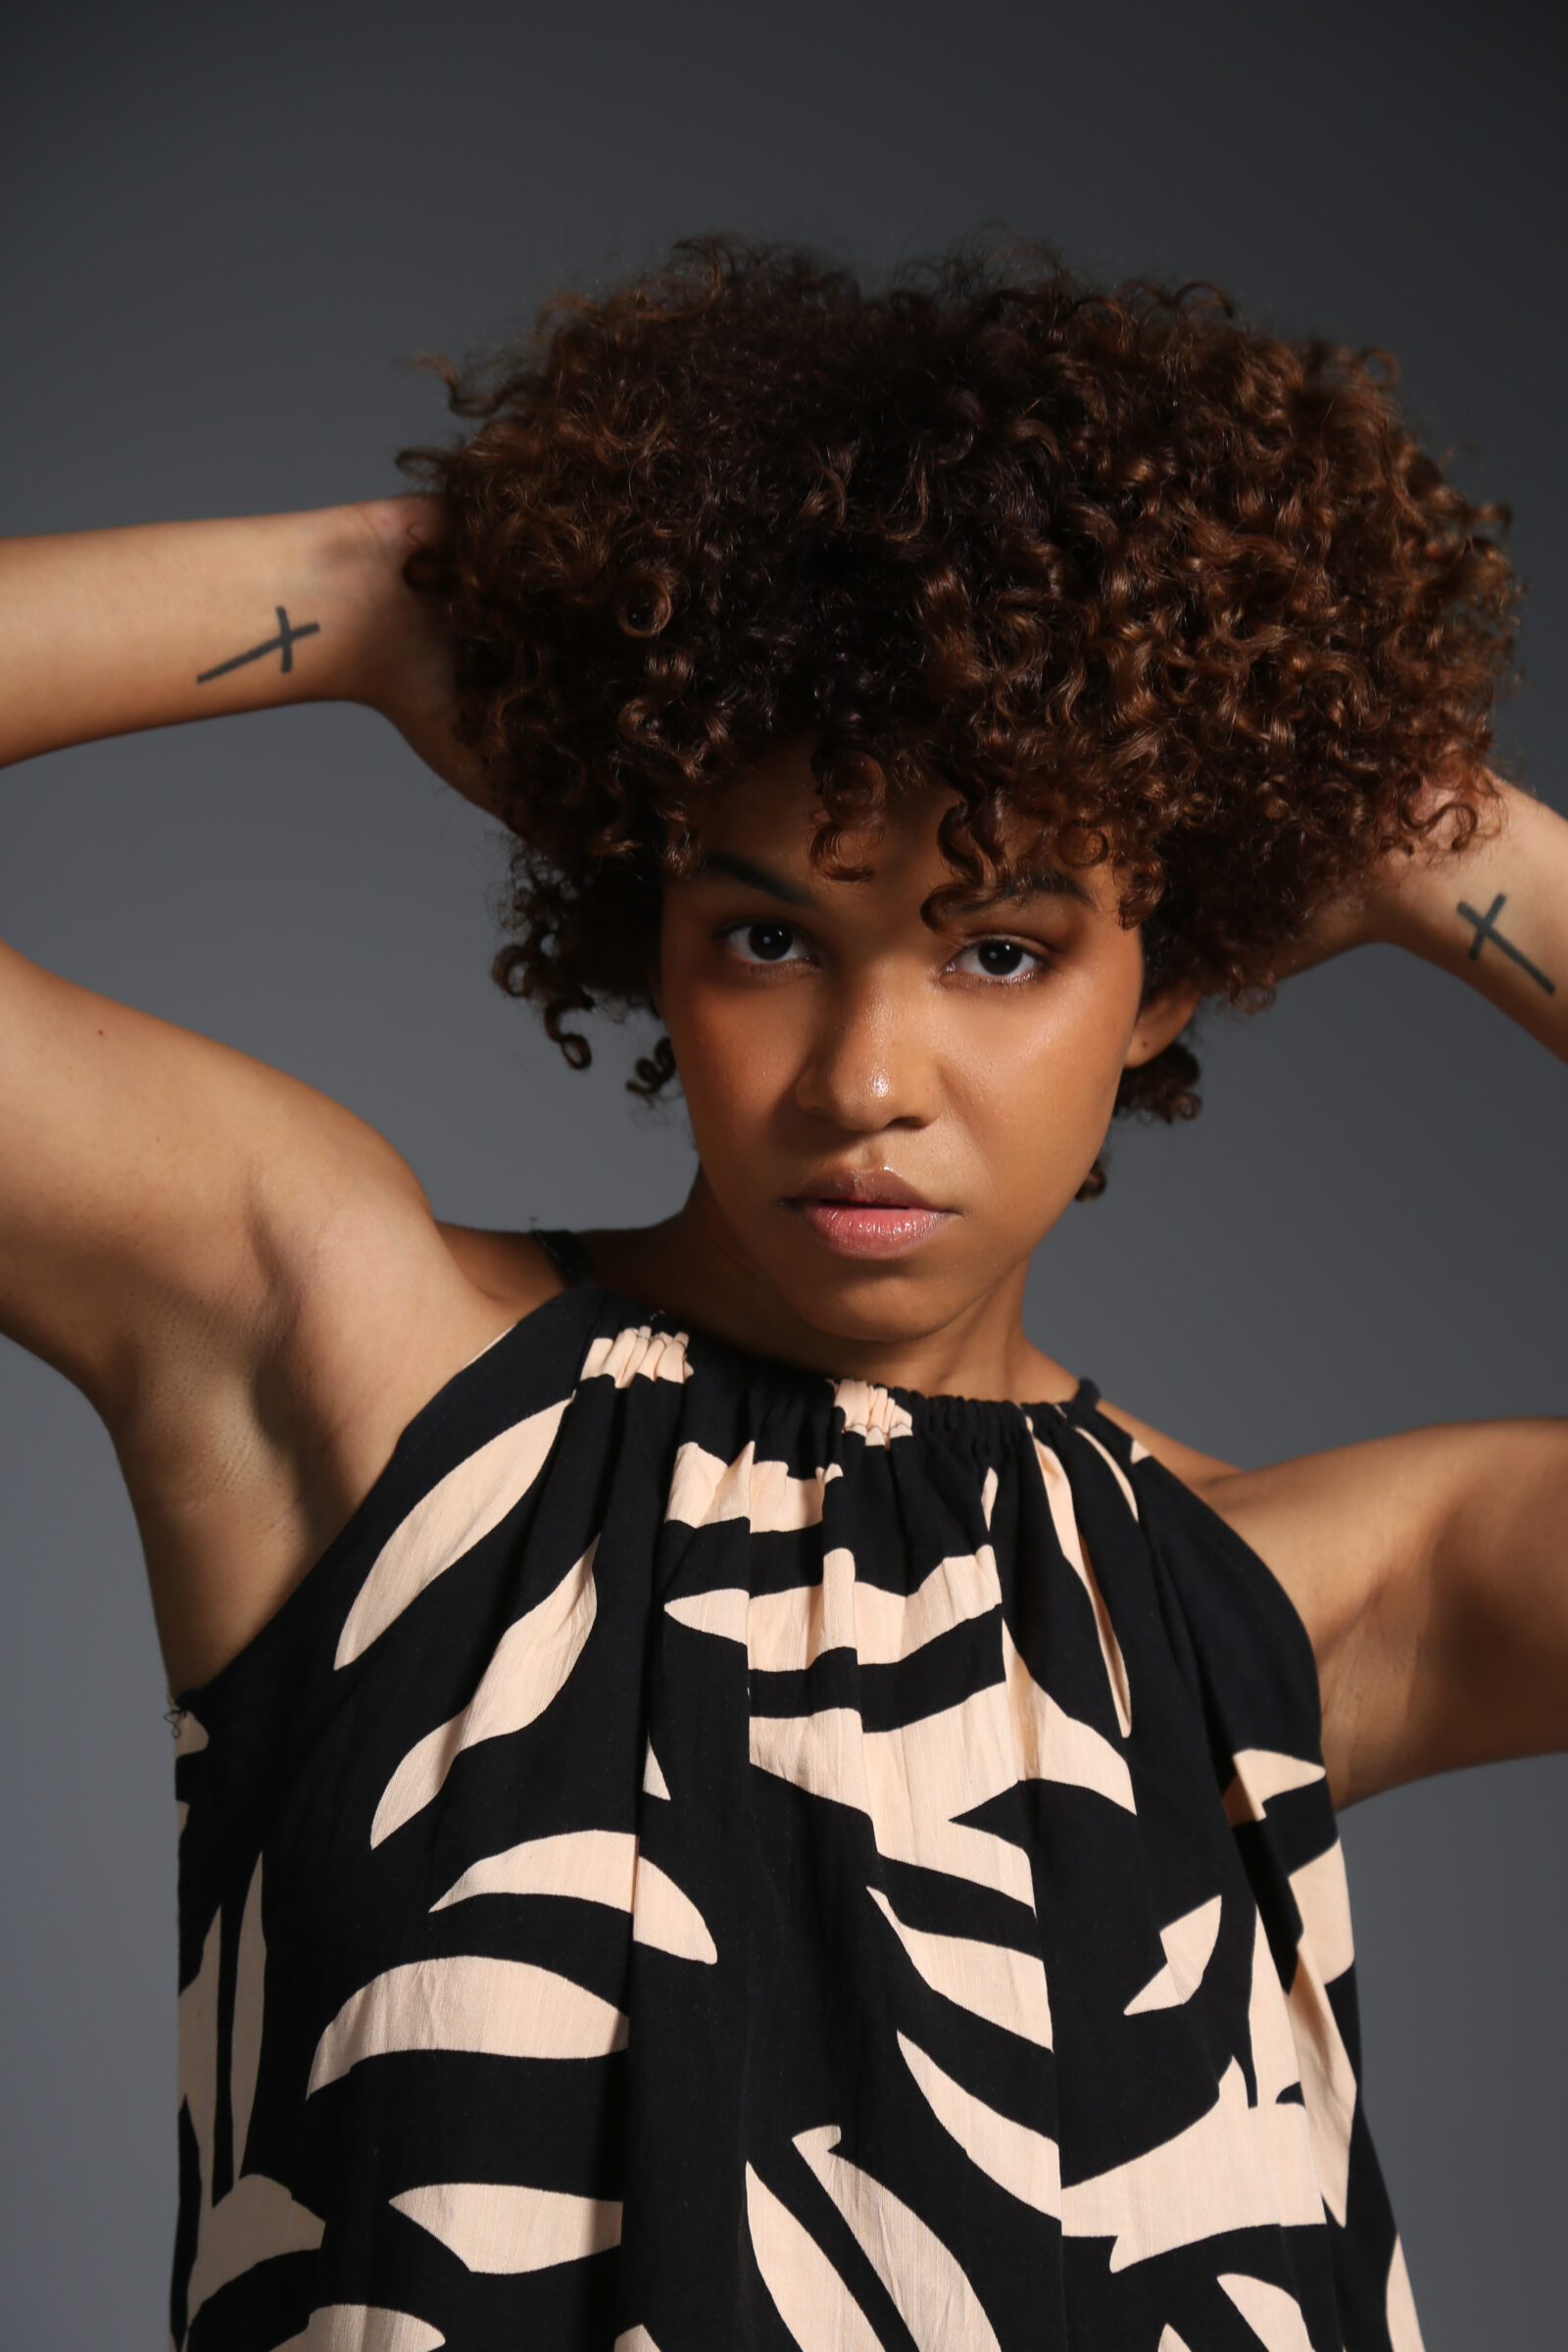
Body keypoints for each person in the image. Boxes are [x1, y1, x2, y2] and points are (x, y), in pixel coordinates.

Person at [1, 240, 1562, 2352]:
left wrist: (1447, 844)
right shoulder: (359, 1375)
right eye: (766, 939)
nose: (863, 1080)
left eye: (997, 950)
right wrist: (366, 595)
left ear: (1165, 983)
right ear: (645, 930)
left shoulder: (1284, 1603)